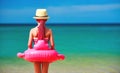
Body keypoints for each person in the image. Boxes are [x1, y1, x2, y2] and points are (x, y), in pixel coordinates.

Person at [27, 9, 55, 73]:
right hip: (46, 54)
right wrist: (52, 55)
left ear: (36, 19)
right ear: (46, 20)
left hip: (36, 54)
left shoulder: (32, 30)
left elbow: (29, 45)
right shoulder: (49, 31)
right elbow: (52, 45)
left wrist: (30, 52)